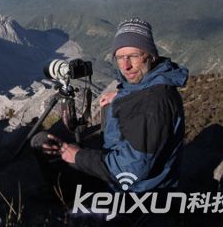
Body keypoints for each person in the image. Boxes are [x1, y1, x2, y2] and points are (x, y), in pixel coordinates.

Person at [32, 17, 188, 222]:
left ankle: (70, 205)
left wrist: (77, 157)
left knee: (45, 146)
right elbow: (142, 98)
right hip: (116, 176)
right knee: (43, 142)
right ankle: (69, 198)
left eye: (133, 56)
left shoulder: (154, 103)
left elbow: (131, 170)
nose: (126, 66)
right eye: (120, 57)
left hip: (134, 195)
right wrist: (122, 96)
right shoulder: (148, 84)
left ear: (150, 55)